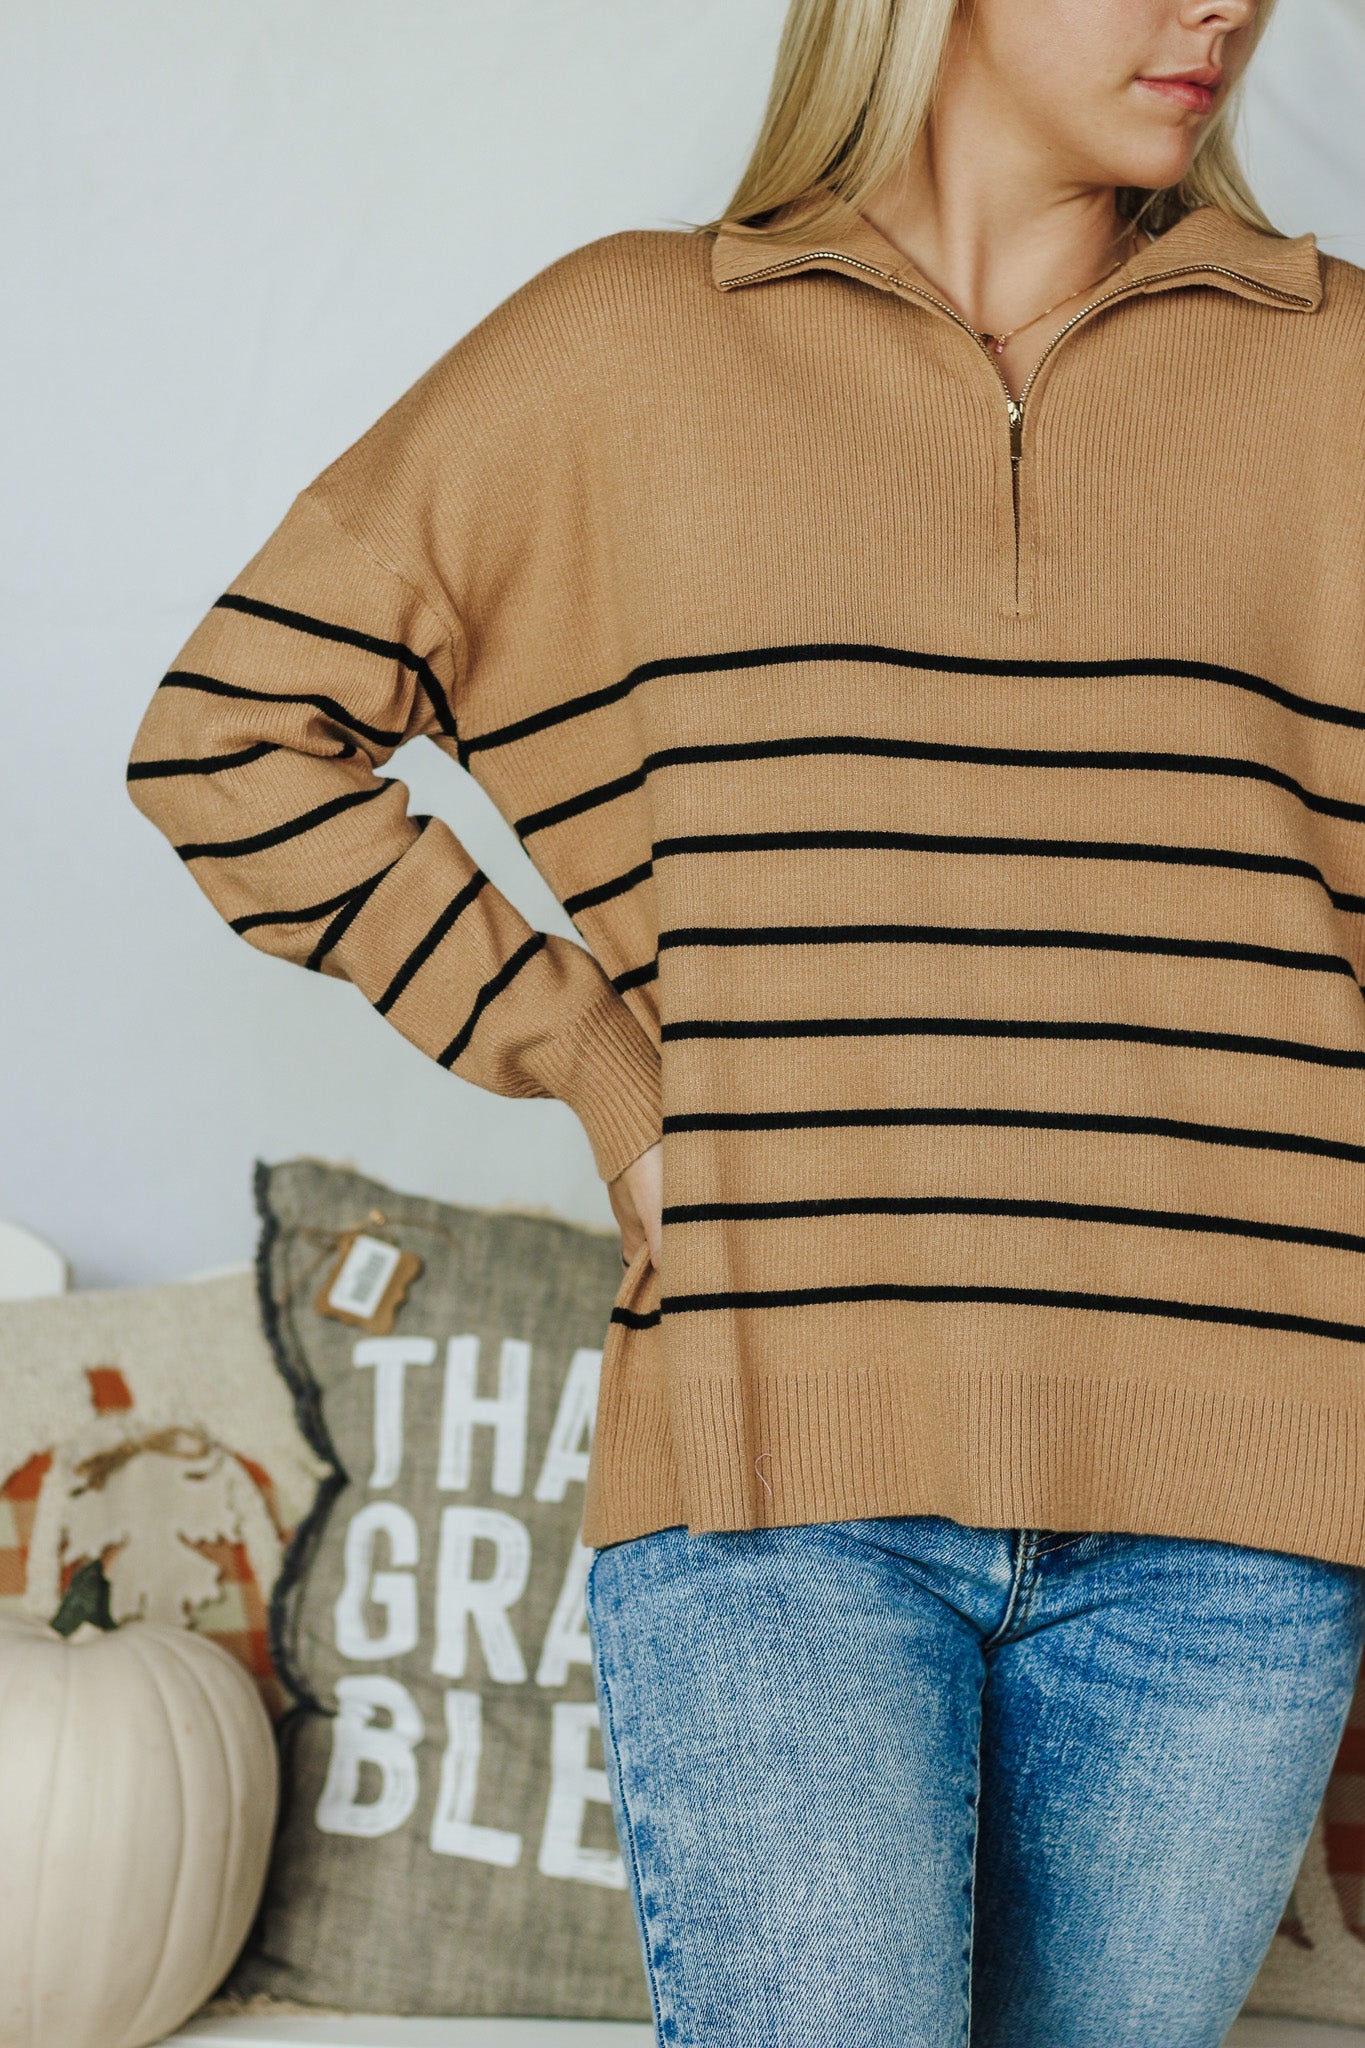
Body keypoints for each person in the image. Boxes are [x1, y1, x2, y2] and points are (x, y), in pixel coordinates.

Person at [127, 0, 1365, 2039]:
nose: (1218, 3)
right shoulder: (627, 353)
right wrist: (597, 1066)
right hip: (775, 1483)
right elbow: (231, 741)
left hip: (1239, 1515)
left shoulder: (1336, 379)